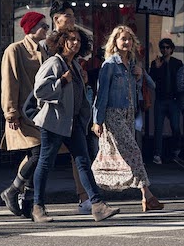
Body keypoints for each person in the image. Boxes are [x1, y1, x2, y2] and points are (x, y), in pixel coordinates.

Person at [31, 27, 119, 223]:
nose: (75, 43)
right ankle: (37, 207)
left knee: (83, 161)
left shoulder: (76, 66)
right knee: (46, 163)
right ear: (62, 42)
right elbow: (40, 90)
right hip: (54, 122)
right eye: (71, 39)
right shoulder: (53, 63)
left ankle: (97, 205)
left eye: (78, 40)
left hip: (73, 122)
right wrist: (61, 82)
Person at [91, 25, 163, 211]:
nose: (127, 42)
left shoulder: (132, 64)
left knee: (128, 154)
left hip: (129, 114)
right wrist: (97, 120)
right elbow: (101, 94)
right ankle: (147, 195)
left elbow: (153, 86)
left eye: (129, 39)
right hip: (113, 114)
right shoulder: (109, 65)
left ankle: (146, 196)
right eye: (123, 39)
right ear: (115, 42)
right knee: (134, 152)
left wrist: (140, 74)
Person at [0, 11, 49, 218]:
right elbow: (9, 81)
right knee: (39, 153)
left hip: (41, 113)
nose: (47, 28)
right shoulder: (15, 50)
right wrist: (10, 113)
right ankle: (13, 190)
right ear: (31, 28)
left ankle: (28, 201)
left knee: (35, 155)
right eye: (43, 25)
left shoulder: (44, 51)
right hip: (22, 112)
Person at [149, 37, 183, 166]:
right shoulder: (156, 62)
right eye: (162, 47)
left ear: (172, 49)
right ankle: (157, 154)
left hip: (174, 99)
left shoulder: (177, 63)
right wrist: (157, 68)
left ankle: (176, 151)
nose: (165, 50)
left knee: (175, 126)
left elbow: (180, 80)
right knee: (158, 127)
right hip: (161, 99)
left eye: (167, 47)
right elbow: (151, 81)